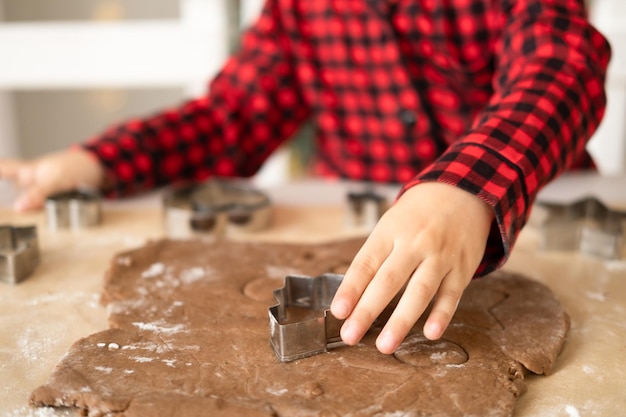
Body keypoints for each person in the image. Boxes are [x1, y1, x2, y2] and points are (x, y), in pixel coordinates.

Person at [0, 0, 610, 355]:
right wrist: (100, 162)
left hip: (527, 217)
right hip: (347, 233)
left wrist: (468, 187)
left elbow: (564, 67)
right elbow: (229, 118)